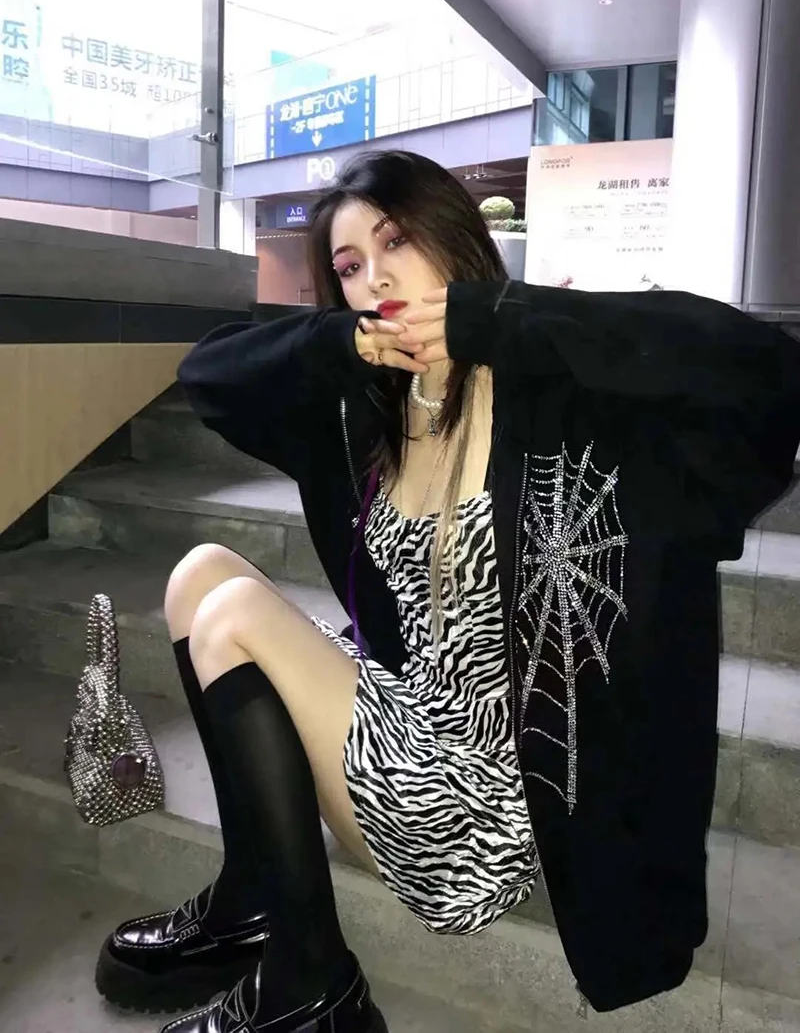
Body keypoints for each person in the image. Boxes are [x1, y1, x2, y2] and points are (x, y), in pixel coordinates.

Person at [95, 150, 800, 1032]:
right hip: (407, 714)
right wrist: (339, 344)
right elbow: (210, 376)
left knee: (234, 616)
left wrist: (501, 318)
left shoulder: (569, 407)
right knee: (200, 573)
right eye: (350, 266)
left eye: (395, 241)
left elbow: (765, 370)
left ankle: (311, 988)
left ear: (452, 235)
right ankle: (251, 901)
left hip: (479, 806)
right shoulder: (372, 409)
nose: (378, 278)